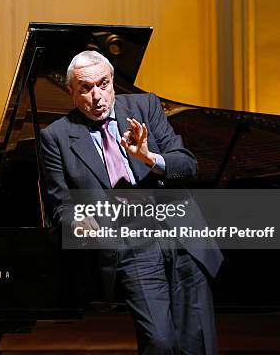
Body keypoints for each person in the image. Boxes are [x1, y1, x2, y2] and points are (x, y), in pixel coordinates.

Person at [40, 51, 223, 354]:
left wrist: (148, 158)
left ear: (112, 82)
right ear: (71, 90)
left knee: (197, 343)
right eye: (86, 88)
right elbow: (60, 206)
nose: (97, 96)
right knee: (159, 342)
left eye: (103, 84)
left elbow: (187, 165)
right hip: (131, 248)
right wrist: (78, 221)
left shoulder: (145, 105)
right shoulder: (56, 137)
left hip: (182, 239)